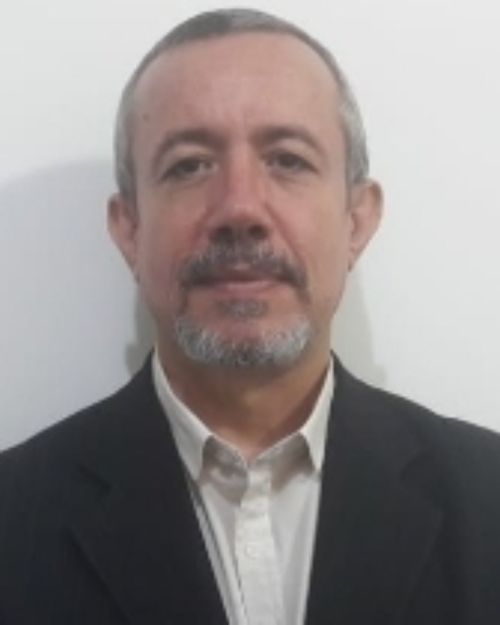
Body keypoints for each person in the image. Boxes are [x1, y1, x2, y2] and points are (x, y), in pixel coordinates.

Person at [1, 8, 500, 625]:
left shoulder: (489, 499)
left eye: (287, 160)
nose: (240, 208)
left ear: (356, 219)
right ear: (129, 229)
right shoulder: (12, 522)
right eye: (189, 165)